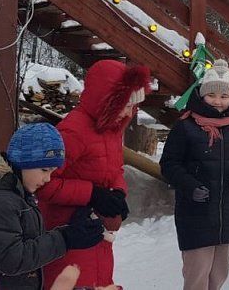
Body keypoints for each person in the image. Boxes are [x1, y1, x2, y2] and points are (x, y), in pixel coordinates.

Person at [37, 60, 150, 289]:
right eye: (126, 105)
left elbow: (115, 169)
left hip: (97, 231)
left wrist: (118, 193)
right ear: (108, 101)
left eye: (133, 106)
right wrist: (92, 194)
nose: (130, 112)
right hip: (68, 234)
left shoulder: (112, 127)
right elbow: (42, 183)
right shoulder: (73, 130)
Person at [160, 60, 229, 290]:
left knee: (219, 274)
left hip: (228, 214)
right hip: (195, 214)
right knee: (197, 275)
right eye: (212, 94)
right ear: (202, 94)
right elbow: (169, 164)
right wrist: (189, 185)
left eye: (224, 96)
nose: (218, 101)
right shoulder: (185, 126)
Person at [0, 123, 104, 290]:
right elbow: (11, 260)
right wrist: (65, 238)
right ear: (22, 162)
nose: (48, 179)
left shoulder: (21, 196)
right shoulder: (3, 201)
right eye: (45, 169)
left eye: (52, 172)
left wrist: (71, 229)